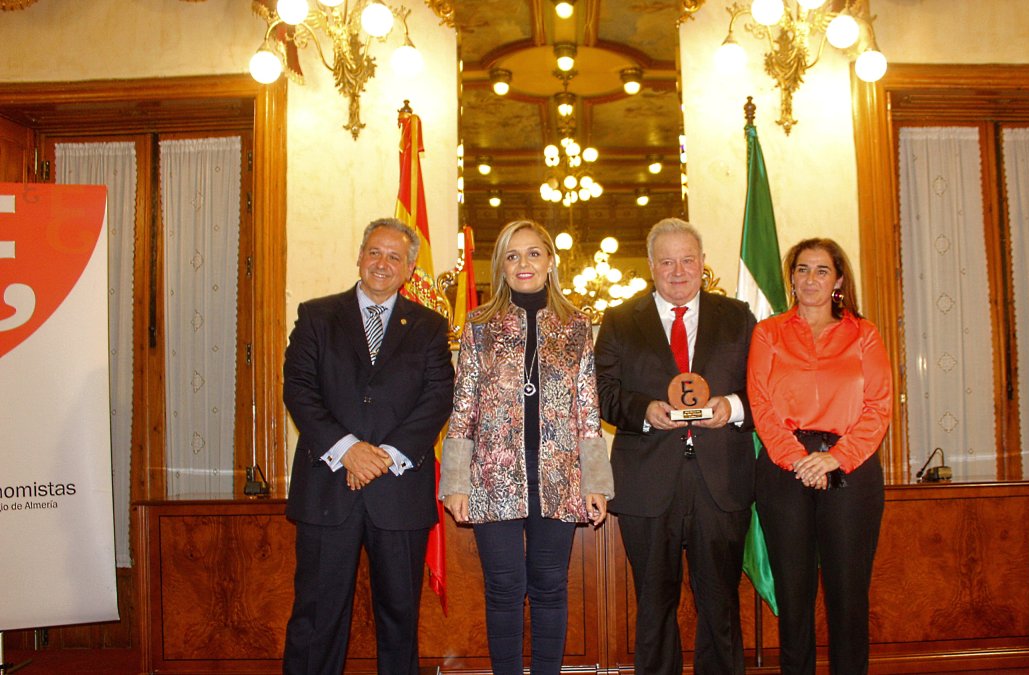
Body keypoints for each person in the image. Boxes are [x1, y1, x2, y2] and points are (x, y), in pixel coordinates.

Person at [281, 217, 455, 675]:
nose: (382, 263)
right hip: (327, 489)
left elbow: (438, 398)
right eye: (374, 252)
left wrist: (384, 458)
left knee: (399, 619)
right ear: (359, 256)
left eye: (395, 256)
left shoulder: (430, 327)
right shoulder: (317, 315)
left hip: (398, 491)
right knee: (316, 616)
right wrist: (347, 450)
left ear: (411, 267)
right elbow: (299, 389)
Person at [440, 219, 614, 675]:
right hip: (493, 476)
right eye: (512, 255)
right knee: (502, 587)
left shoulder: (576, 326)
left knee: (550, 587)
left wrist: (597, 482)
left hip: (558, 477)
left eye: (534, 253)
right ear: (500, 265)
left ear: (550, 262)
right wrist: (455, 482)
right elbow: (463, 410)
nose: (524, 264)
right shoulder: (478, 326)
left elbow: (588, 412)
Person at [594, 218, 758, 675]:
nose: (679, 271)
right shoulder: (621, 320)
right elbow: (601, 392)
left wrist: (735, 406)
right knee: (653, 608)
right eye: (667, 261)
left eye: (688, 259)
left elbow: (766, 389)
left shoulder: (738, 316)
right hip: (647, 484)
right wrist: (643, 410)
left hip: (721, 483)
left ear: (703, 263)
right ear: (651, 266)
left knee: (721, 606)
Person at [746, 237, 893, 674]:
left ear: (839, 280)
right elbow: (760, 402)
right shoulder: (768, 332)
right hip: (782, 469)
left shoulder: (864, 334)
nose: (811, 278)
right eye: (803, 269)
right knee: (794, 596)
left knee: (848, 595)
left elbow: (879, 405)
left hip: (850, 467)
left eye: (822, 270)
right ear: (791, 277)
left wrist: (836, 457)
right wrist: (796, 458)